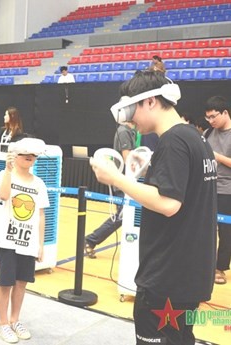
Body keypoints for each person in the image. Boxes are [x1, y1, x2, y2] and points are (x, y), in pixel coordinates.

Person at [90, 71, 217, 345]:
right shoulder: (197, 139)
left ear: (150, 102)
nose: (130, 118)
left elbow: (169, 203)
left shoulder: (173, 142)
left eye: (132, 109)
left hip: (166, 280)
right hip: (189, 278)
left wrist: (115, 178)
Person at [0, 135, 50, 343]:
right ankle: (2, 323)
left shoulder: (39, 183)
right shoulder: (4, 175)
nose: (30, 158)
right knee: (5, 282)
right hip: (7, 239)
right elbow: (2, 195)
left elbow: (41, 215)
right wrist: (8, 171)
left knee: (21, 283)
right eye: (25, 155)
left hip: (28, 241)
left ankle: (15, 319)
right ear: (15, 156)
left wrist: (41, 244)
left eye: (33, 156)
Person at [85, 121, 136, 258]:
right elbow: (128, 159)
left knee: (125, 216)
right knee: (122, 216)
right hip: (123, 180)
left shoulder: (129, 131)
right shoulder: (124, 132)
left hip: (124, 180)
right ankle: (91, 239)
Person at [204, 95, 231, 285]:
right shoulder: (207, 133)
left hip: (226, 190)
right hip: (206, 187)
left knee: (226, 231)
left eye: (214, 117)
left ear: (225, 113)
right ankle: (204, 264)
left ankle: (220, 268)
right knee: (203, 228)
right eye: (208, 118)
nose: (211, 121)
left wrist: (217, 157)